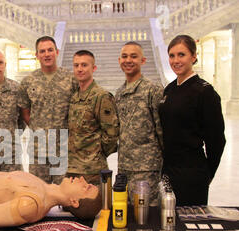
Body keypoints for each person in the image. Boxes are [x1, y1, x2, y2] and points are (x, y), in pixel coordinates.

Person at [158, 35, 226, 206]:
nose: (176, 60)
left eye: (181, 55)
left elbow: (217, 140)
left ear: (194, 57)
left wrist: (207, 174)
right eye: (172, 56)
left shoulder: (204, 92)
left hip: (192, 172)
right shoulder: (170, 89)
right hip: (168, 171)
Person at [18, 36, 78, 184]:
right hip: (39, 149)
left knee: (65, 196)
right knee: (38, 196)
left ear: (57, 52)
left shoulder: (71, 79)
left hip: (64, 149)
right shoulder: (28, 81)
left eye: (50, 50)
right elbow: (25, 111)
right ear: (37, 55)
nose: (47, 54)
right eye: (42, 51)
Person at [115, 41, 164, 205]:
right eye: (124, 56)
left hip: (146, 169)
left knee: (147, 217)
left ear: (143, 60)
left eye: (133, 56)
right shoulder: (120, 93)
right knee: (126, 216)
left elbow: (162, 130)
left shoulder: (153, 90)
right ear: (119, 60)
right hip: (124, 167)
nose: (128, 60)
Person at [67, 50, 119, 186]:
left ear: (93, 68)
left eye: (84, 65)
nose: (79, 69)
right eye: (76, 65)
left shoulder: (101, 96)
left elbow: (112, 133)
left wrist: (97, 153)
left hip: (93, 171)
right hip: (73, 168)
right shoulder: (74, 97)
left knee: (96, 207)